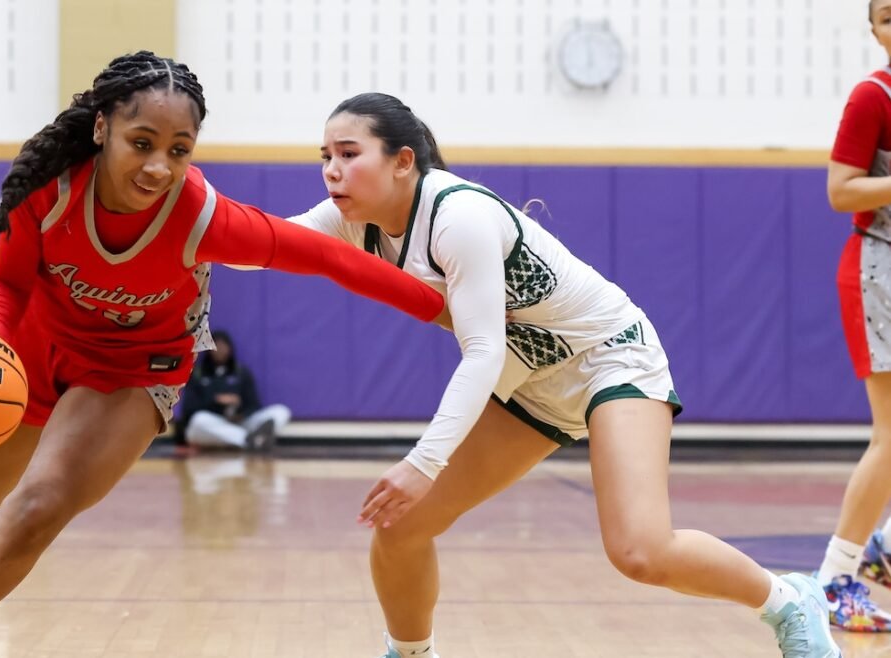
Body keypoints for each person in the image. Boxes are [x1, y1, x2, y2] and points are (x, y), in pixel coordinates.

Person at [0, 51, 445, 658]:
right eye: (142, 143)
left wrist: (446, 312)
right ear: (102, 129)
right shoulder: (50, 189)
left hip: (133, 368)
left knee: (31, 513)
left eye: (178, 149)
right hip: (37, 348)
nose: (158, 166)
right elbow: (7, 284)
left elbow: (329, 257)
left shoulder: (200, 216)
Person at [286, 92, 841, 658]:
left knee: (640, 552)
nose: (332, 169)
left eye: (349, 153)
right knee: (400, 528)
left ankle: (790, 601)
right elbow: (261, 243)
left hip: (609, 357)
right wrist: (193, 210)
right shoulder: (351, 220)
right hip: (530, 378)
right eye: (325, 155)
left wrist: (421, 463)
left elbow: (481, 353)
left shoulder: (459, 217)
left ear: (403, 160)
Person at [813, 0, 891, 633]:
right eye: (888, 14)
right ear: (874, 31)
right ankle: (836, 580)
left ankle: (884, 541)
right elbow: (841, 190)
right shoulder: (872, 97)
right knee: (890, 433)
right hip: (878, 266)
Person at [176, 329, 290, 452]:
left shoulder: (241, 372)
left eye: (223, 346)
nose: (219, 350)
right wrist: (216, 401)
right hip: (215, 423)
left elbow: (254, 404)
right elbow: (189, 409)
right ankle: (249, 440)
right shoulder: (198, 374)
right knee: (198, 421)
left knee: (281, 411)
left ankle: (249, 438)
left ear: (230, 348)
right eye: (216, 346)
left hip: (241, 421)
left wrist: (240, 411)